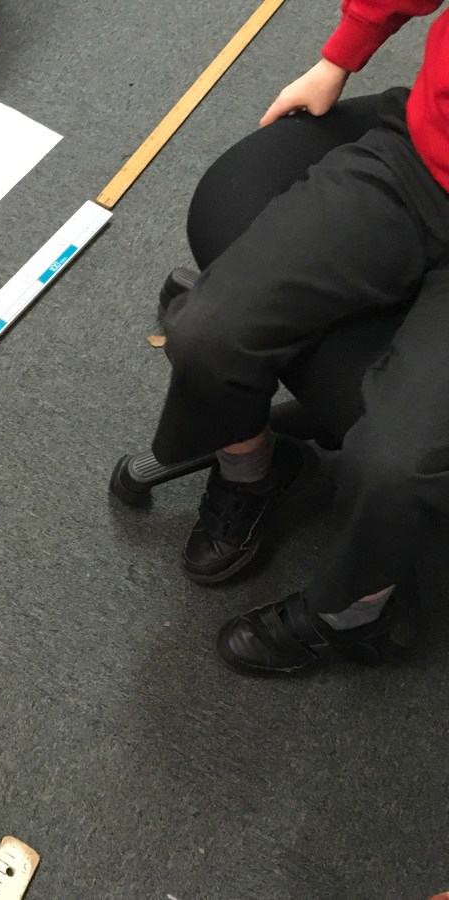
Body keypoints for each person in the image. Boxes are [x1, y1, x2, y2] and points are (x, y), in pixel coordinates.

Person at [153, 0, 449, 674]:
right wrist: (340, 56)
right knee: (206, 329)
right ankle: (253, 471)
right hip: (420, 163)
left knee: (396, 465)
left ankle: (354, 613)